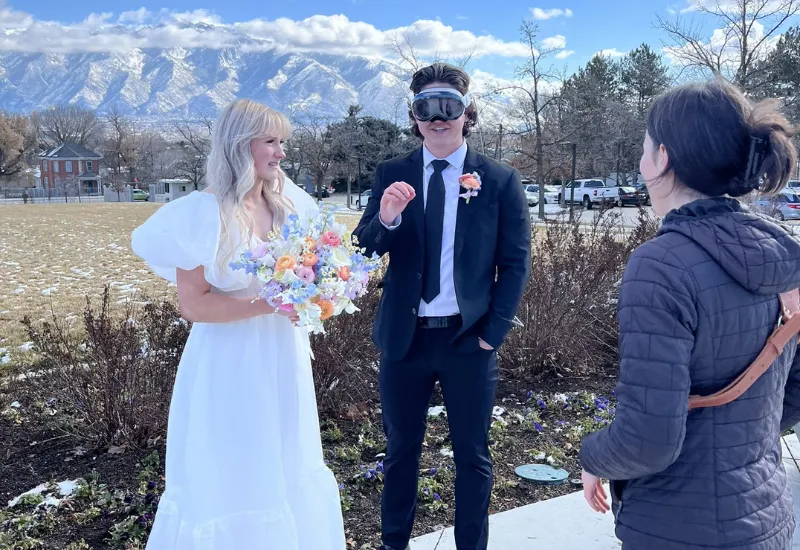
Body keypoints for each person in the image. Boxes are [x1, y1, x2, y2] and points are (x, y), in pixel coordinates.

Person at [578, 77, 800, 549]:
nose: (642, 164)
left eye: (644, 149)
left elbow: (647, 441)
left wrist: (593, 455)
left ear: (663, 157)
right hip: (766, 517)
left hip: (679, 527)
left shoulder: (661, 265)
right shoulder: (782, 256)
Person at [131, 98, 346, 550]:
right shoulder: (201, 213)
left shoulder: (288, 203)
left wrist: (318, 294)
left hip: (283, 355)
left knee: (286, 456)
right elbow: (194, 305)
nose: (281, 152)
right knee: (234, 465)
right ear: (239, 145)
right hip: (229, 361)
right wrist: (268, 304)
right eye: (270, 141)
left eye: (282, 142)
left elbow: (314, 267)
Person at [353, 63, 531, 550]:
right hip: (404, 340)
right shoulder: (392, 174)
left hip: (468, 340)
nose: (437, 118)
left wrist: (493, 333)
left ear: (466, 113)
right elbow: (362, 251)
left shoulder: (499, 179)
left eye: (447, 107)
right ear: (414, 116)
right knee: (399, 452)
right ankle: (393, 544)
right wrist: (386, 218)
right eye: (425, 108)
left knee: (472, 456)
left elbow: (516, 263)